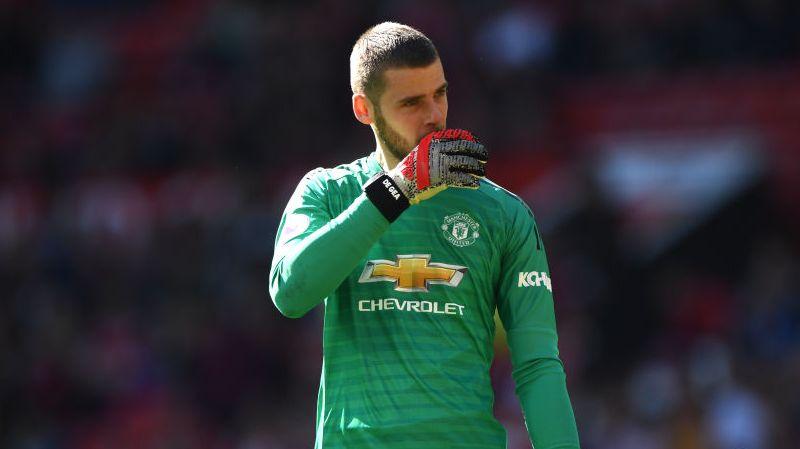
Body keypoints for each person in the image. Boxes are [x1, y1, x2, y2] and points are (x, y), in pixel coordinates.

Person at [269, 22, 580, 449]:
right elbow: (290, 293)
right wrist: (397, 191)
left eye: (440, 93)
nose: (434, 115)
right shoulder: (328, 192)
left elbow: (537, 365)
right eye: (412, 102)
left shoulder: (503, 213)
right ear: (364, 109)